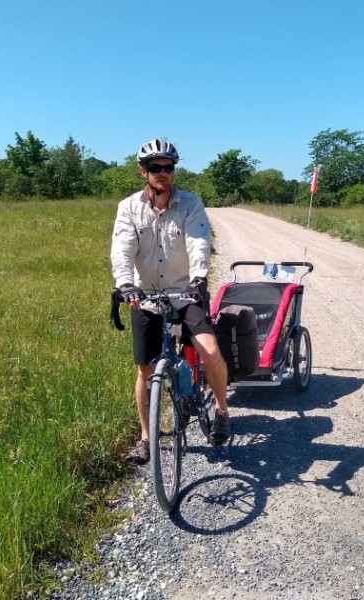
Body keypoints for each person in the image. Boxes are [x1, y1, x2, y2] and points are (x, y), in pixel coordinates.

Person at [110, 138, 231, 464]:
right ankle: (146, 438)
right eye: (155, 167)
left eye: (168, 167)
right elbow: (122, 248)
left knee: (210, 349)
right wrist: (124, 284)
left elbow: (197, 241)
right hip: (146, 295)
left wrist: (198, 278)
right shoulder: (129, 208)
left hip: (184, 292)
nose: (163, 173)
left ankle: (221, 410)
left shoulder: (190, 204)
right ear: (143, 172)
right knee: (145, 370)